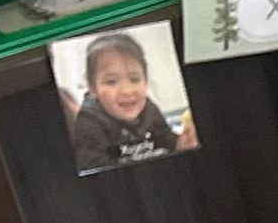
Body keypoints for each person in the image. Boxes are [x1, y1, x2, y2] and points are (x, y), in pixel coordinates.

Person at [65, 30, 189, 168]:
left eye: (135, 79)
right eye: (111, 81)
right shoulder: (88, 123)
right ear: (93, 89)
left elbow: (165, 138)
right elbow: (92, 166)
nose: (127, 91)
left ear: (146, 81)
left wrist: (182, 144)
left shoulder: (147, 107)